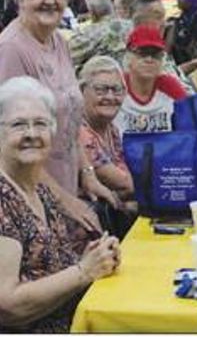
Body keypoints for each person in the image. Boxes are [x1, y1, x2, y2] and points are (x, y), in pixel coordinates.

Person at [0, 0, 116, 233]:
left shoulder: (57, 42)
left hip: (64, 195)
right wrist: (65, 202)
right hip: (28, 209)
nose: (49, 0)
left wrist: (87, 175)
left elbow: (71, 116)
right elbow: (14, 149)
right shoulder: (12, 49)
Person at [0, 76, 120, 333]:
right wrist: (84, 271)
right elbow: (7, 306)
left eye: (41, 124)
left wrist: (94, 257)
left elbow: (47, 268)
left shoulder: (38, 189)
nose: (31, 134)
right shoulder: (3, 198)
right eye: (19, 124)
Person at [114, 24, 188, 135]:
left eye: (156, 55)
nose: (149, 60)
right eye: (142, 53)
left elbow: (190, 124)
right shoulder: (116, 87)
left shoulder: (170, 87)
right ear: (128, 56)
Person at [79, 56, 134, 200]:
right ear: (81, 90)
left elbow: (125, 172)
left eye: (117, 90)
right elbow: (123, 182)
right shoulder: (79, 131)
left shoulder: (111, 129)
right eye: (101, 90)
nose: (110, 97)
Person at [69, 0, 132, 73]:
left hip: (103, 76)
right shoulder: (130, 25)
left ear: (92, 13)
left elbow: (69, 54)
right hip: (128, 74)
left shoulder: (93, 32)